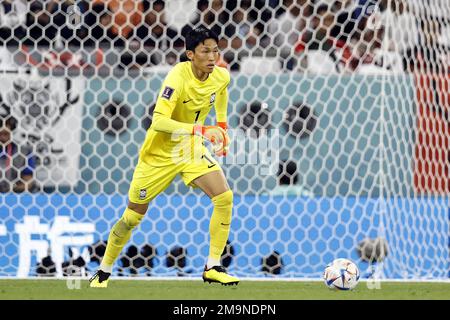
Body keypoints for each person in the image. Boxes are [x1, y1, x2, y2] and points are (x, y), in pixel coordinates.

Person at [89, 27, 239, 287]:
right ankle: (104, 270)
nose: (213, 56)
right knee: (132, 217)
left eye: (216, 50)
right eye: (205, 51)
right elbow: (158, 121)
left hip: (189, 147)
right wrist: (203, 130)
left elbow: (222, 92)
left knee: (224, 197)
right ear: (190, 54)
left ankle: (213, 266)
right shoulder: (177, 78)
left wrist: (222, 127)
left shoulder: (221, 76)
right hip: (159, 153)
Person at [0, 117, 37, 193]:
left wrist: (11, 188)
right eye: (0, 134)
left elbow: (28, 180)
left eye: (5, 133)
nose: (2, 137)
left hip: (15, 195)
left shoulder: (25, 152)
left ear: (12, 132)